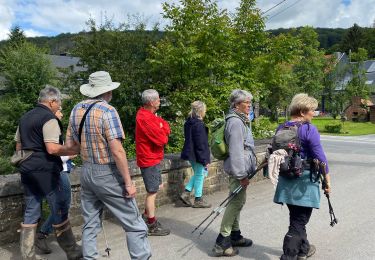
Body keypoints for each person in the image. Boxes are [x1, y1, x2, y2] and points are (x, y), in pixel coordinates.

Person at [66, 71, 151, 260]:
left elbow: (71, 147)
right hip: (107, 173)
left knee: (90, 223)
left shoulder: (76, 109)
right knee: (134, 223)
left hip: (86, 170)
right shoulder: (107, 110)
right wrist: (128, 183)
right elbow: (117, 151)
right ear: (108, 92)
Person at [15, 86, 82, 260]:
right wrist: (72, 149)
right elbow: (52, 149)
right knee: (59, 208)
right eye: (58, 103)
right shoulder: (49, 118)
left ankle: (27, 255)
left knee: (31, 209)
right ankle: (73, 251)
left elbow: (19, 147)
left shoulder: (24, 117)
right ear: (51, 101)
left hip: (27, 170)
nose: (59, 106)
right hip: (46, 171)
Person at [273, 93, 331, 260]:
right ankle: (289, 255)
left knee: (297, 217)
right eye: (312, 110)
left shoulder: (282, 127)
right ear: (303, 111)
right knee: (299, 221)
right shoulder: (308, 129)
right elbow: (320, 158)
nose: (314, 113)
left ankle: (303, 250)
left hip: (286, 181)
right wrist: (327, 181)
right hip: (303, 182)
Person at [212, 89, 256, 257]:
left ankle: (235, 235)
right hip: (239, 171)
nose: (249, 105)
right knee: (236, 203)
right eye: (247, 102)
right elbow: (236, 151)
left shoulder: (239, 120)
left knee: (237, 201)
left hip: (241, 169)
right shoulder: (236, 122)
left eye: (250, 102)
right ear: (237, 105)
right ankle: (221, 242)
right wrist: (242, 175)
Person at [35, 107, 76, 255]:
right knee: (63, 205)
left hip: (54, 171)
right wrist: (71, 154)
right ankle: (44, 234)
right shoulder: (52, 128)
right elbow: (55, 154)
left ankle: (47, 234)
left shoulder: (49, 128)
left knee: (61, 205)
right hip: (59, 172)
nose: (62, 113)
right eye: (59, 111)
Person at [135, 89, 171, 236]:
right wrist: (161, 128)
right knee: (152, 192)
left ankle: (146, 217)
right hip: (149, 159)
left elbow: (166, 126)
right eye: (157, 99)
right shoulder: (145, 118)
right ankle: (151, 224)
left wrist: (162, 127)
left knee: (155, 188)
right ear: (151, 102)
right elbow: (162, 139)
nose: (159, 101)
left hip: (153, 158)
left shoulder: (148, 115)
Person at [179, 101, 211, 208]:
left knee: (198, 173)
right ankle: (198, 199)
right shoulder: (199, 125)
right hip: (197, 154)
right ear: (201, 111)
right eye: (204, 110)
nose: (205, 111)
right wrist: (205, 160)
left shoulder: (188, 122)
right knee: (200, 175)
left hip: (190, 153)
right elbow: (201, 144)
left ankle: (186, 193)